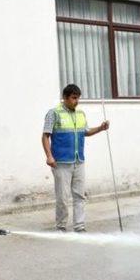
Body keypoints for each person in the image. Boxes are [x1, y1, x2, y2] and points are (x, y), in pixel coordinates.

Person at [42, 84, 109, 232]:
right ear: (65, 98)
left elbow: (85, 132)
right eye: (73, 98)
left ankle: (79, 226)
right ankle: (61, 227)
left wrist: (100, 128)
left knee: (79, 196)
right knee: (63, 197)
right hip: (61, 162)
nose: (76, 101)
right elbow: (45, 136)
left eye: (78, 98)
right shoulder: (53, 114)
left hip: (79, 161)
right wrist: (49, 156)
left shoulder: (80, 114)